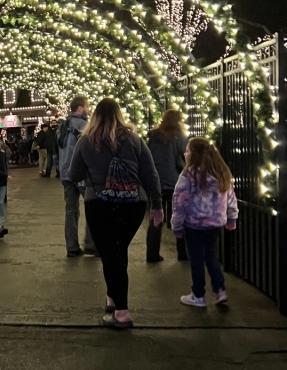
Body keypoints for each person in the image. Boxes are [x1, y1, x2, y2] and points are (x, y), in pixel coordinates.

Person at [69, 98, 163, 330]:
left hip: (99, 204)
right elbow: (150, 174)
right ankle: (113, 297)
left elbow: (74, 174)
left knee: (110, 254)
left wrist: (93, 176)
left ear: (95, 116)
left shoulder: (86, 141)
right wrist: (157, 204)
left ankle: (121, 312)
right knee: (119, 250)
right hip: (133, 203)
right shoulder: (135, 140)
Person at [171, 137, 239, 307]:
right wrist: (232, 217)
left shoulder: (188, 175)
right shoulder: (221, 173)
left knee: (196, 259)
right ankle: (220, 289)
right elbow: (231, 198)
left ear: (194, 154)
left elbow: (180, 202)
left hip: (194, 224)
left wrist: (176, 225)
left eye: (187, 150)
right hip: (215, 223)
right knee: (211, 255)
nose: (185, 153)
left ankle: (198, 295)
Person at [145, 109, 189, 262]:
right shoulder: (178, 137)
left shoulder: (153, 136)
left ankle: (152, 253)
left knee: (155, 218)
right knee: (178, 216)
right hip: (173, 182)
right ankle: (182, 252)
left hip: (156, 182)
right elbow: (185, 154)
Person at [56, 97, 97, 257]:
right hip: (81, 174)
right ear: (80, 108)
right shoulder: (84, 125)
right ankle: (91, 244)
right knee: (92, 207)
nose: (88, 109)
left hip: (65, 173)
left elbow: (57, 149)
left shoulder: (62, 125)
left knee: (71, 210)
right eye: (87, 106)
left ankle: (72, 247)